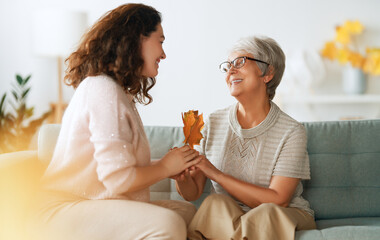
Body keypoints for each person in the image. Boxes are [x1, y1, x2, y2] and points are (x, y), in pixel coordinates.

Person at [29, 4, 200, 240]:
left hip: (90, 203)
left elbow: (114, 165)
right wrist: (164, 168)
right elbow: (118, 180)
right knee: (168, 223)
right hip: (64, 209)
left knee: (186, 212)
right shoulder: (103, 90)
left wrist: (169, 165)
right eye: (160, 41)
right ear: (137, 40)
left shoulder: (115, 91)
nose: (163, 53)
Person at [175, 36, 317, 240]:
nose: (230, 71)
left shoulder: (292, 131)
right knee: (214, 203)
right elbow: (192, 193)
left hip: (282, 214)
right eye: (228, 66)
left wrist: (215, 173)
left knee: (266, 213)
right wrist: (182, 177)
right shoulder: (213, 122)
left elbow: (279, 200)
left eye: (240, 63)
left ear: (268, 73)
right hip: (231, 217)